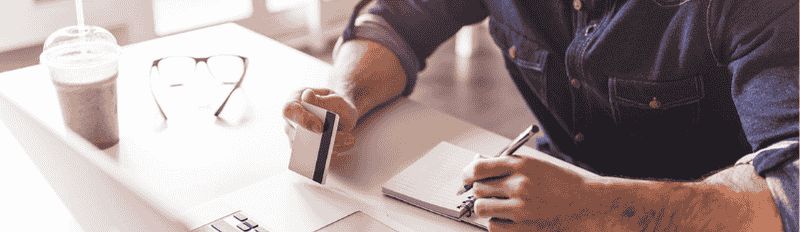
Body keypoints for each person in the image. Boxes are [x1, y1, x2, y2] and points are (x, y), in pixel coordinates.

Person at [283, 0, 798, 231]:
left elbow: (791, 191)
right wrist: (346, 96)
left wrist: (597, 205)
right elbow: (393, 20)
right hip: (547, 200)